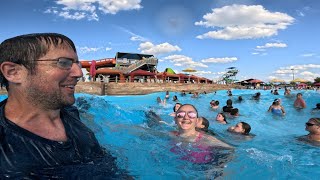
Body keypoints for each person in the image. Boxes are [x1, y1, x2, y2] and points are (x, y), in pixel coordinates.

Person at [0, 33, 129, 178]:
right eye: (63, 62)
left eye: (77, 63)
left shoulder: (71, 113)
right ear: (13, 72)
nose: (79, 73)